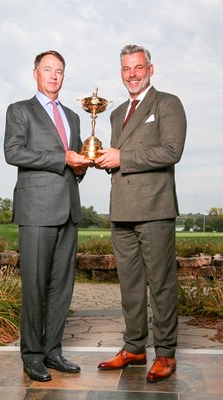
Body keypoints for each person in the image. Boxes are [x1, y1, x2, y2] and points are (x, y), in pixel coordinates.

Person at [94, 44, 187, 382]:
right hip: (121, 209)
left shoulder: (167, 103)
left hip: (155, 208)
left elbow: (171, 151)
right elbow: (118, 156)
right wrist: (100, 160)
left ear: (150, 69)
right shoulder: (117, 113)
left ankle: (165, 354)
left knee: (160, 284)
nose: (131, 74)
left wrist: (122, 159)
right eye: (125, 69)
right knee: (130, 284)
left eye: (137, 67)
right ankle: (134, 347)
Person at [4, 50, 92, 382]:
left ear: (63, 77)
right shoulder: (19, 110)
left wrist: (81, 166)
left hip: (68, 208)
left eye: (59, 71)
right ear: (35, 73)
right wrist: (62, 158)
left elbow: (76, 160)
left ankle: (53, 351)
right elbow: (13, 151)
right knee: (36, 287)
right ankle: (32, 355)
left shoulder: (72, 116)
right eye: (48, 69)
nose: (54, 75)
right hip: (36, 210)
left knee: (61, 287)